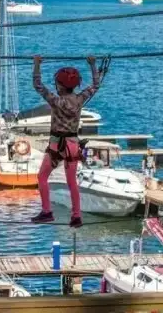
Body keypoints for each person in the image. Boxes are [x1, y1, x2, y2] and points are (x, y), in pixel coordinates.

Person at [31, 55, 101, 228]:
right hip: (72, 144)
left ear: (59, 85)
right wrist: (93, 65)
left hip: (56, 143)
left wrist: (37, 64)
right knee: (72, 183)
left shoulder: (56, 101)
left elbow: (38, 85)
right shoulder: (79, 100)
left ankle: (47, 211)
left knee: (42, 177)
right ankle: (76, 216)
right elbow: (95, 85)